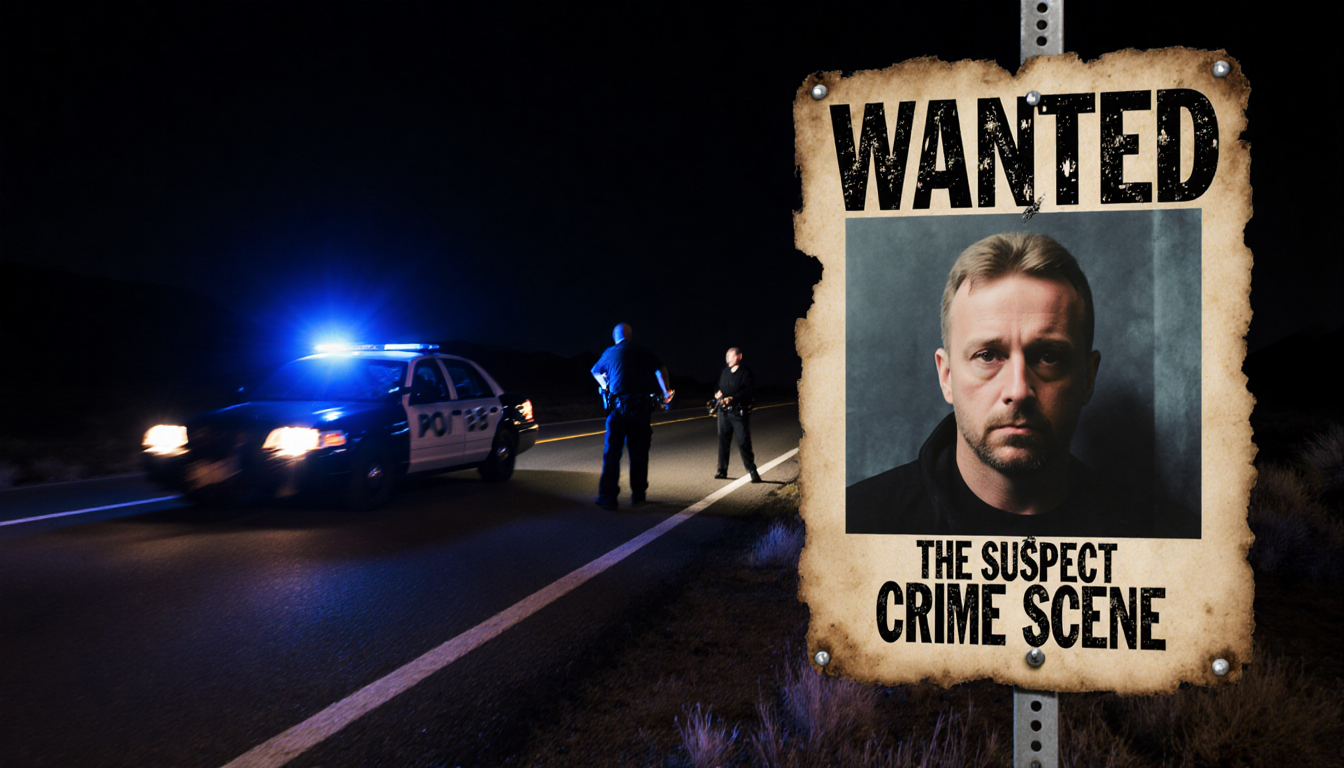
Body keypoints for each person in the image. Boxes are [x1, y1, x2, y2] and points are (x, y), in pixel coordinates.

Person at [847, 232, 1150, 537]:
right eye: (988, 355)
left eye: (1048, 356)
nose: (1018, 391)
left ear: (1088, 377)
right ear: (947, 376)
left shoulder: (1161, 541)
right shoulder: (853, 529)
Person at [591, 323, 674, 510]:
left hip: (616, 409)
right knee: (639, 452)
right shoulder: (641, 351)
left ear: (615, 337)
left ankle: (608, 497)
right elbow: (660, 370)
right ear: (630, 335)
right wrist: (666, 392)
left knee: (612, 453)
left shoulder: (609, 353)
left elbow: (595, 371)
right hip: (639, 408)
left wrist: (605, 384)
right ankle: (638, 496)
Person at [714, 347, 761, 482]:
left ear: (739, 357)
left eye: (731, 356)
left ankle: (752, 470)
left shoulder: (745, 373)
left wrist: (733, 398)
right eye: (727, 356)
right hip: (724, 412)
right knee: (723, 442)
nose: (728, 358)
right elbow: (717, 385)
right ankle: (722, 470)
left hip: (738, 413)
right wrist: (717, 393)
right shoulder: (724, 372)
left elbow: (748, 390)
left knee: (743, 441)